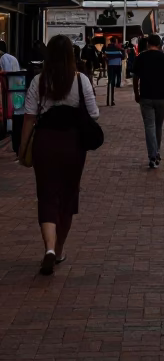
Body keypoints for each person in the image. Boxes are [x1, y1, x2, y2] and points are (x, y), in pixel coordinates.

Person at [18, 34, 100, 276]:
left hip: (45, 141)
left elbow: (29, 117)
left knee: (46, 195)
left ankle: (49, 249)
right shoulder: (81, 79)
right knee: (68, 195)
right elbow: (94, 114)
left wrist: (23, 149)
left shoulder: (39, 80)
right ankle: (60, 248)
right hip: (74, 143)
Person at [132, 33, 164, 169]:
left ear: (147, 44)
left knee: (149, 126)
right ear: (159, 44)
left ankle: (152, 154)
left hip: (146, 96)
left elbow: (135, 78)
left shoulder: (141, 58)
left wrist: (136, 93)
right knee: (158, 126)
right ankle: (156, 152)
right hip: (162, 96)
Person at [103, 38, 124, 105]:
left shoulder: (106, 48)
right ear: (115, 42)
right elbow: (122, 57)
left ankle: (109, 99)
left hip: (110, 65)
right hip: (117, 65)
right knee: (118, 75)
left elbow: (104, 56)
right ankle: (117, 84)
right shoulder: (118, 49)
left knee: (110, 79)